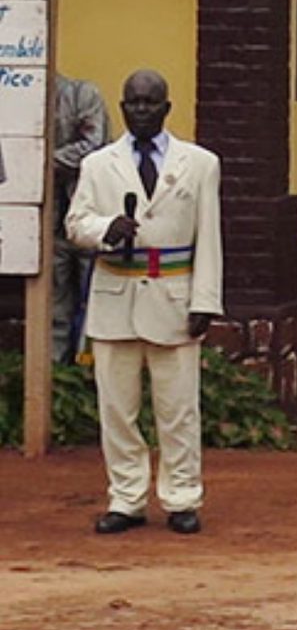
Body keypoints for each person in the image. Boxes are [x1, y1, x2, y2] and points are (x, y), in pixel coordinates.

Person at [64, 70, 221, 535]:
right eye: (133, 103)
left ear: (167, 108)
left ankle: (182, 497)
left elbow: (209, 237)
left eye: (150, 103)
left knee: (178, 409)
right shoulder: (98, 164)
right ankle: (126, 497)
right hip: (115, 296)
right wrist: (105, 229)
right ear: (122, 106)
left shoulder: (199, 163)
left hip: (173, 292)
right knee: (117, 409)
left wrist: (205, 299)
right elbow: (76, 223)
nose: (141, 111)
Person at [48, 74, 112, 364]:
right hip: (49, 222)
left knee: (95, 301)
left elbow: (94, 145)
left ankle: (90, 374)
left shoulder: (82, 94)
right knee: (53, 306)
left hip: (92, 215)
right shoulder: (17, 103)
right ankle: (56, 377)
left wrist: (42, 158)